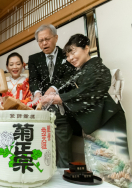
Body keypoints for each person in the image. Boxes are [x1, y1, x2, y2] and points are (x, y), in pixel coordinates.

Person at [42, 34, 130, 186]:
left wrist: (60, 98)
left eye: (73, 51)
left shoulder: (98, 67)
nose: (70, 57)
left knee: (115, 169)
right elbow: (70, 90)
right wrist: (53, 94)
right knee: (97, 167)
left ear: (86, 48)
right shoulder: (80, 72)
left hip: (108, 121)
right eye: (68, 55)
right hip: (94, 121)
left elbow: (89, 90)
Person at [28, 24, 76, 168]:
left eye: (47, 39)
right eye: (40, 40)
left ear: (55, 37)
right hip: (41, 112)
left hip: (61, 111)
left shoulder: (67, 55)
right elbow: (33, 80)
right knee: (44, 151)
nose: (44, 43)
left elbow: (69, 77)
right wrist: (37, 93)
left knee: (64, 153)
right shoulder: (34, 59)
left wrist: (53, 88)